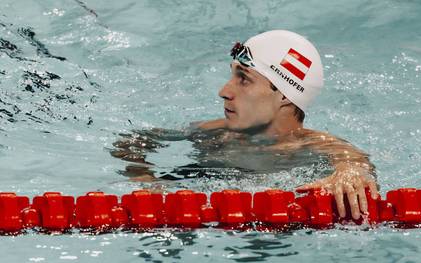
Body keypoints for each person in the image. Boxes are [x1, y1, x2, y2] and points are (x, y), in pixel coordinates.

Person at [111, 30, 379, 221]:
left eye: (244, 79)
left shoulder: (317, 145)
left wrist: (351, 174)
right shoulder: (212, 134)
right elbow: (134, 140)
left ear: (285, 94)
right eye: (232, 76)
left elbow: (355, 162)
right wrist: (144, 178)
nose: (224, 91)